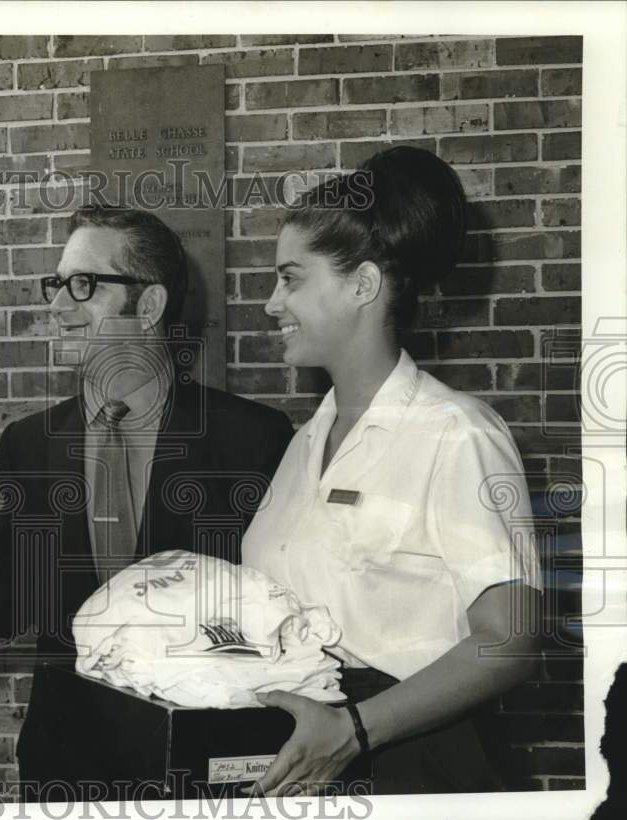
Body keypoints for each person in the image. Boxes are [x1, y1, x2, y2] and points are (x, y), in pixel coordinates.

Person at [0, 206, 294, 797]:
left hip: (206, 763)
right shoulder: (30, 443)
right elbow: (18, 586)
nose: (58, 306)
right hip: (68, 764)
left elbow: (277, 615)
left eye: (84, 286)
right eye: (58, 284)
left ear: (148, 307)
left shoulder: (251, 438)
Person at [241, 146, 543, 795]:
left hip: (420, 762)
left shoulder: (455, 433)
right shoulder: (303, 444)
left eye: (291, 278)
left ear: (363, 285)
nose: (271, 302)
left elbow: (511, 640)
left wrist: (357, 727)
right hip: (313, 762)